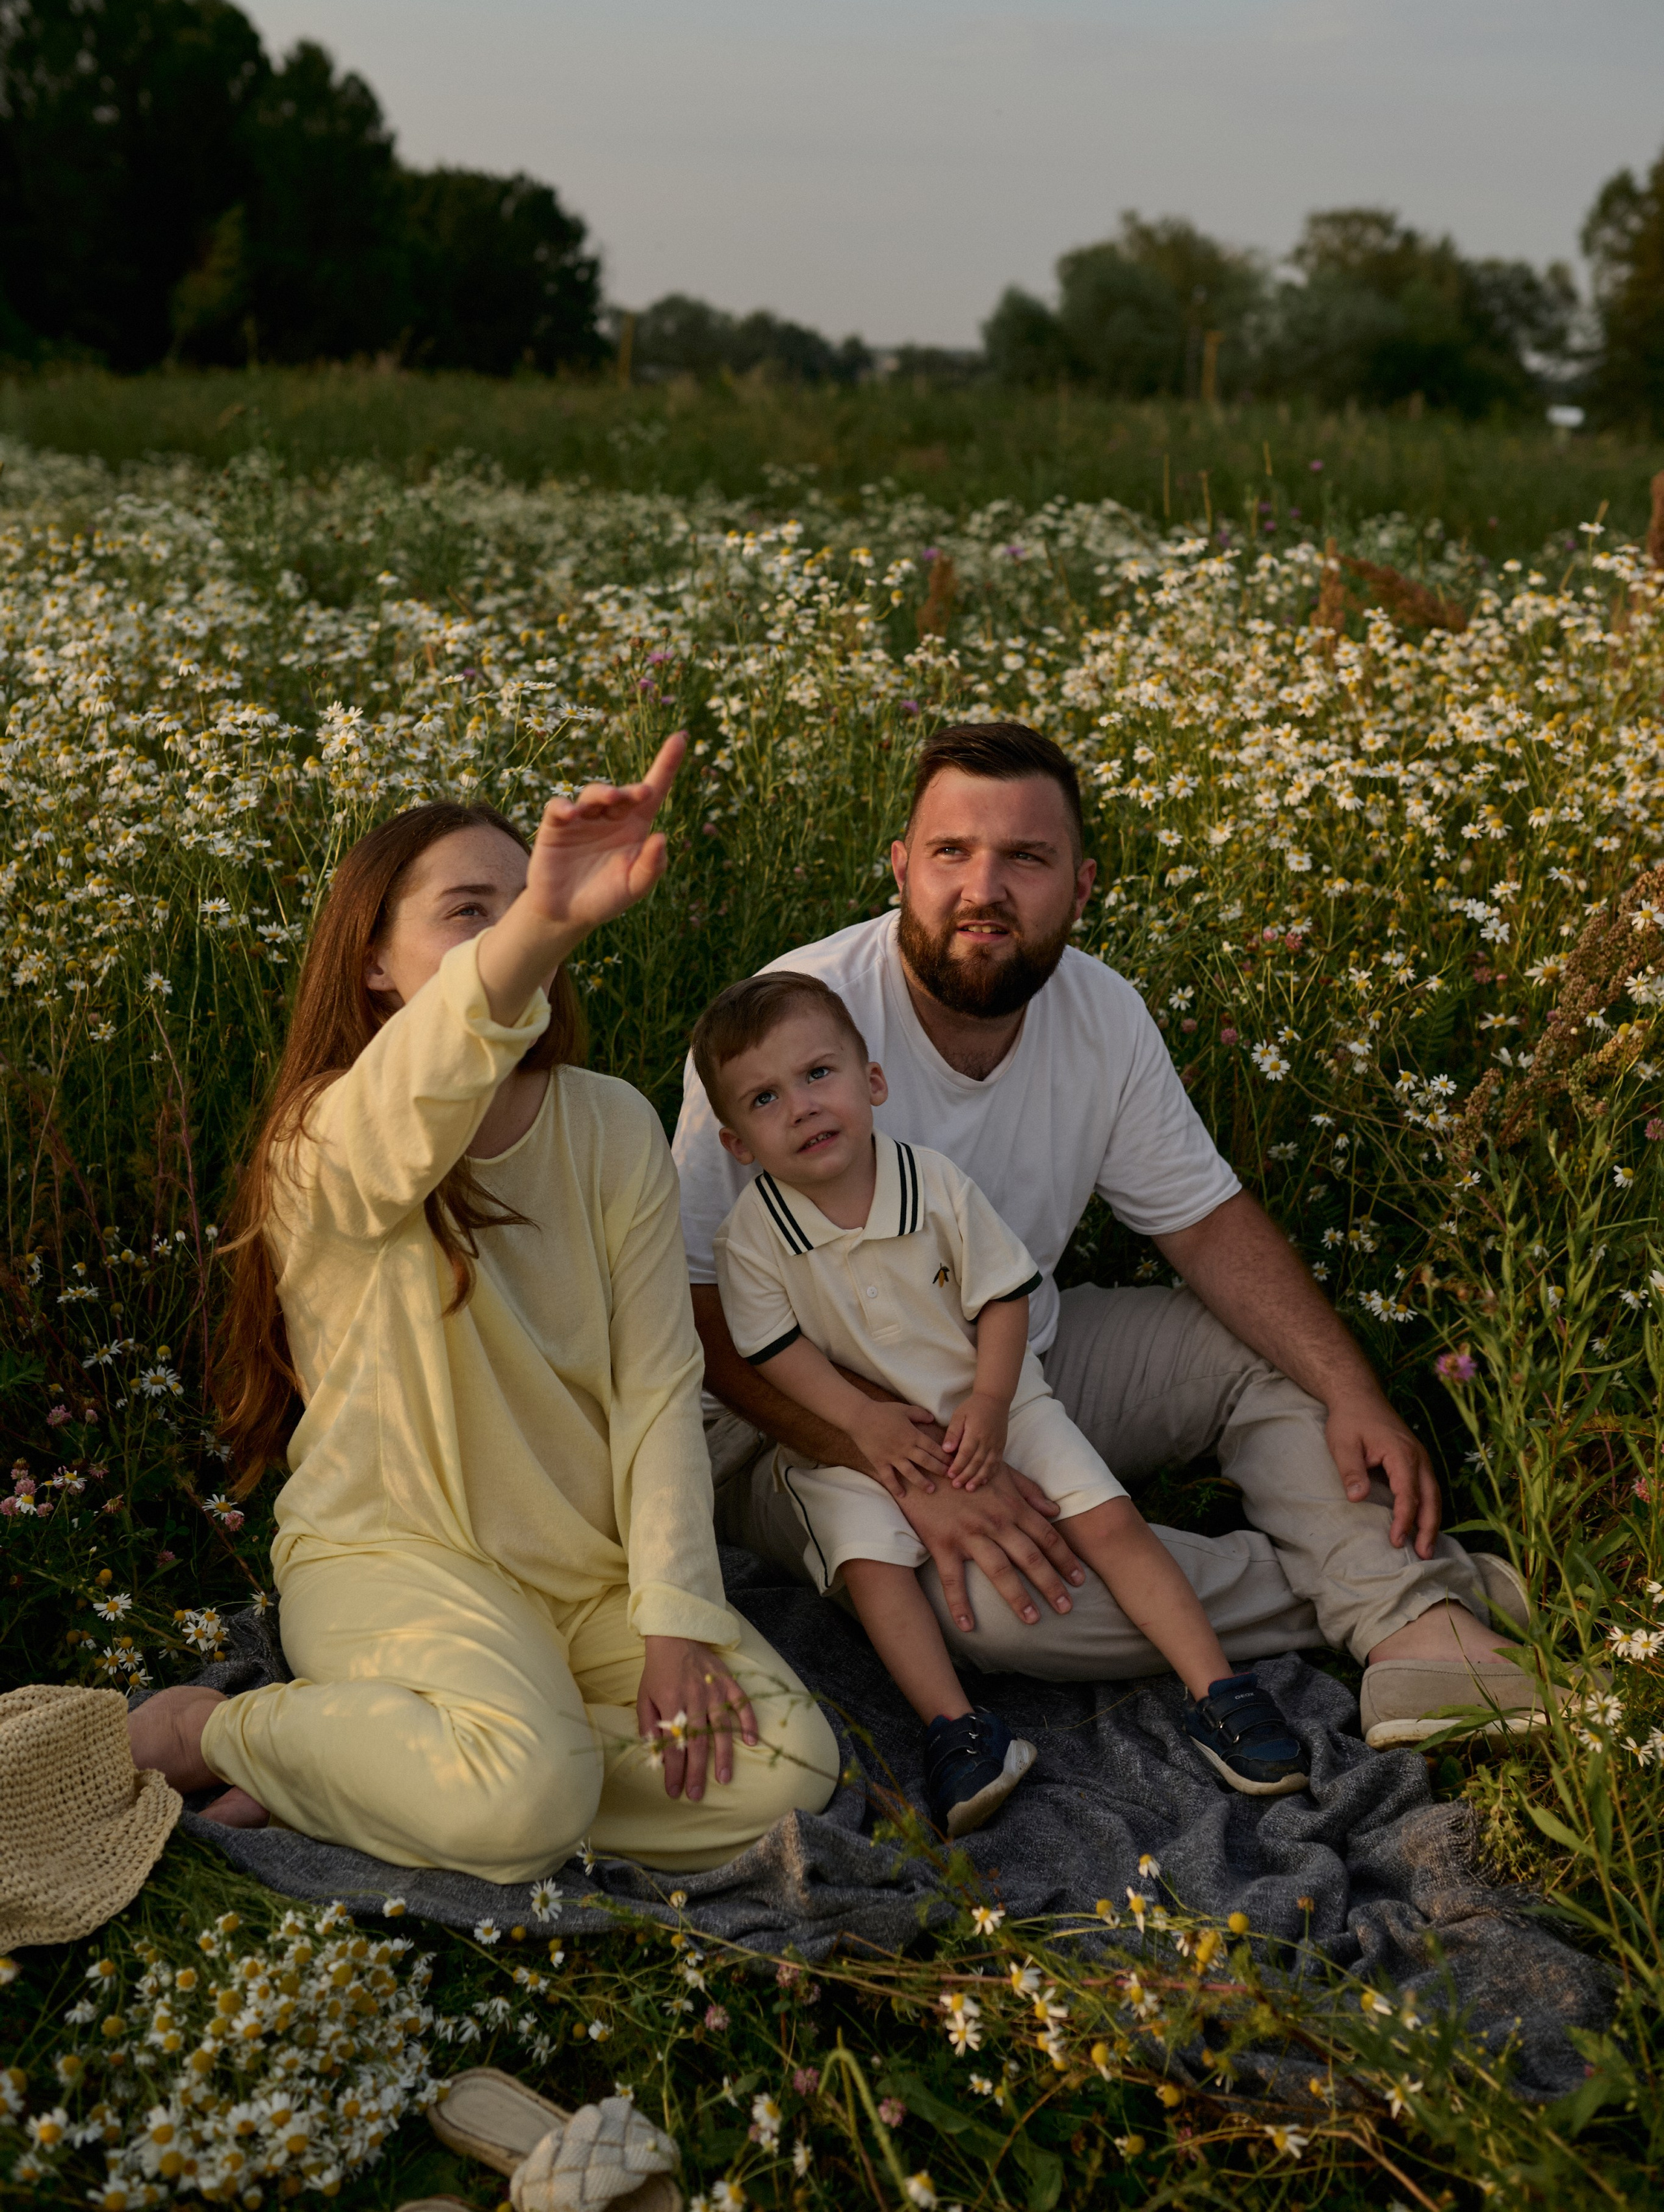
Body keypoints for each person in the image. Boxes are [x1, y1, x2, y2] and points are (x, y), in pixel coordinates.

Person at [675, 722, 1544, 1750]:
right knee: (985, 1597)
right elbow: (698, 1314)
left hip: (1015, 1361)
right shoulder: (787, 1029)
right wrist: (892, 1462)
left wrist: (1352, 1388)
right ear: (903, 868)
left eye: (1026, 858)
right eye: (952, 852)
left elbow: (1209, 1225)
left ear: (1081, 887)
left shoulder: (1103, 1012)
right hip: (806, 1424)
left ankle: (1414, 1630)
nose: (983, 888)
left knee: (1258, 1352)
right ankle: (1407, 1590)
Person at [130, 738, 839, 1880]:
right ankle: (213, 1729)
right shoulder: (325, 1138)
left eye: (527, 906)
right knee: (525, 1798)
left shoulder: (609, 1124)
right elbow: (417, 1093)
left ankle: (384, 1761)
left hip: (586, 1573)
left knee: (788, 1765)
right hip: (393, 1561)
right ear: (373, 965)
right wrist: (545, 924)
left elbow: (660, 1386)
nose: (515, 931)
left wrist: (673, 1617)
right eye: (473, 911)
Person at [693, 970, 1310, 1832]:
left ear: (872, 1083)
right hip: (865, 1437)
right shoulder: (755, 1238)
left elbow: (1003, 1296)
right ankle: (959, 1727)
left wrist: (989, 1400)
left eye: (819, 1075)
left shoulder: (933, 1184)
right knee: (870, 1564)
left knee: (1106, 1519)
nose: (801, 1105)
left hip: (997, 1399)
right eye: (766, 1097)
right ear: (738, 1142)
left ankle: (1219, 1689)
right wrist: (864, 1422)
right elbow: (777, 1351)